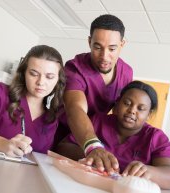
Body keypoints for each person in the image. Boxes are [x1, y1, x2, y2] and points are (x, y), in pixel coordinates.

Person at [58, 81, 170, 189]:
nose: (132, 110)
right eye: (127, 103)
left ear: (149, 114)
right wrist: (93, 156)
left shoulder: (156, 137)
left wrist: (149, 172)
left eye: (141, 108)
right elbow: (62, 147)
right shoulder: (98, 121)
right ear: (117, 104)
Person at [57, 14, 133, 172]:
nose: (104, 56)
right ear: (89, 42)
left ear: (122, 44)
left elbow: (120, 112)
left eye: (112, 49)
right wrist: (93, 145)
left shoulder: (126, 73)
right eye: (97, 47)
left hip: (96, 138)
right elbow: (75, 108)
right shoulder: (74, 68)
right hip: (63, 133)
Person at [0, 45, 66, 157]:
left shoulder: (51, 118)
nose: (41, 82)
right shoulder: (0, 94)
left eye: (49, 77)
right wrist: (2, 144)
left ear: (58, 80)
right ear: (24, 73)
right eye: (33, 74)